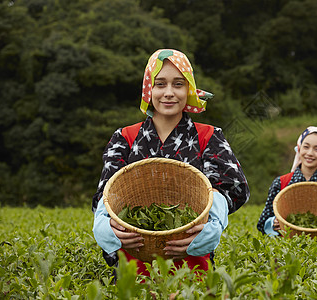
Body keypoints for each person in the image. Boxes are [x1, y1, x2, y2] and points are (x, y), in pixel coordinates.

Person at [92, 49, 250, 276]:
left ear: (189, 89)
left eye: (178, 84)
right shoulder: (125, 137)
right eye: (160, 84)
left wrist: (213, 221)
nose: (168, 93)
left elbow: (234, 188)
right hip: (134, 261)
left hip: (192, 261)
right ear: (149, 89)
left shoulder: (208, 136)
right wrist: (103, 224)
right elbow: (107, 191)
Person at [257, 126, 317, 237]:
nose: (310, 153)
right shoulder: (281, 183)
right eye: (306, 147)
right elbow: (263, 222)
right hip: (286, 250)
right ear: (299, 148)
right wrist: (273, 223)